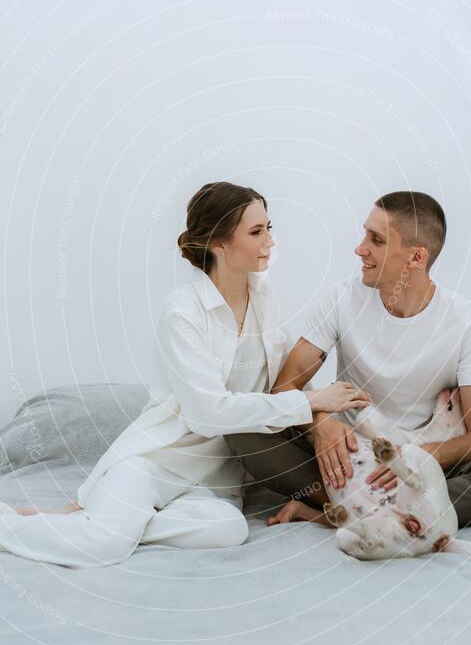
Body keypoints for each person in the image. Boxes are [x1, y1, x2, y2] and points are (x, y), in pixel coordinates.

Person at [0, 181, 367, 567]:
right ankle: (50, 526)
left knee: (229, 531)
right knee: (103, 546)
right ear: (218, 243)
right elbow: (208, 414)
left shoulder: (264, 297)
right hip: (155, 462)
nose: (270, 242)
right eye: (256, 232)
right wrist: (309, 402)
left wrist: (323, 416)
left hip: (216, 477)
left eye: (269, 229)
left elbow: (283, 376)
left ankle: (110, 522)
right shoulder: (183, 313)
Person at [225, 191, 471, 530]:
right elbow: (284, 386)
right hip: (345, 455)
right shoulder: (341, 298)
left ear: (416, 258)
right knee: (244, 428)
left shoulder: (467, 322)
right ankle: (407, 518)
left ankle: (354, 513)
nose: (360, 249)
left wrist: (411, 459)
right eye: (365, 234)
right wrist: (323, 425)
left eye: (377, 240)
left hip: (420, 458)